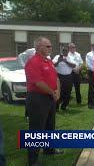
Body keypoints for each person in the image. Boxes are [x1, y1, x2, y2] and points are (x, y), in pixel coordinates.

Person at [25, 37, 63, 166]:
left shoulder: (49, 61)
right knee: (36, 129)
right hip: (37, 99)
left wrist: (57, 91)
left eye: (50, 46)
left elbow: (55, 77)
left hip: (50, 98)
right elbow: (38, 83)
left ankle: (49, 149)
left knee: (49, 126)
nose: (50, 48)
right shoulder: (33, 62)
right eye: (48, 46)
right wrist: (53, 93)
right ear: (39, 47)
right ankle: (33, 160)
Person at [52, 46, 76, 111]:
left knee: (68, 92)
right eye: (63, 50)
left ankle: (64, 106)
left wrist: (66, 62)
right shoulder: (57, 57)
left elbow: (74, 65)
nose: (64, 51)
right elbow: (52, 65)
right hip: (59, 76)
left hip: (68, 76)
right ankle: (56, 107)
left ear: (68, 51)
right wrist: (58, 61)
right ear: (61, 51)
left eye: (66, 50)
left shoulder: (70, 57)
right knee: (58, 91)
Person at [86, 43, 94, 109]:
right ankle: (90, 103)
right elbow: (88, 64)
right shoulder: (89, 54)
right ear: (92, 47)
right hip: (91, 73)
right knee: (91, 88)